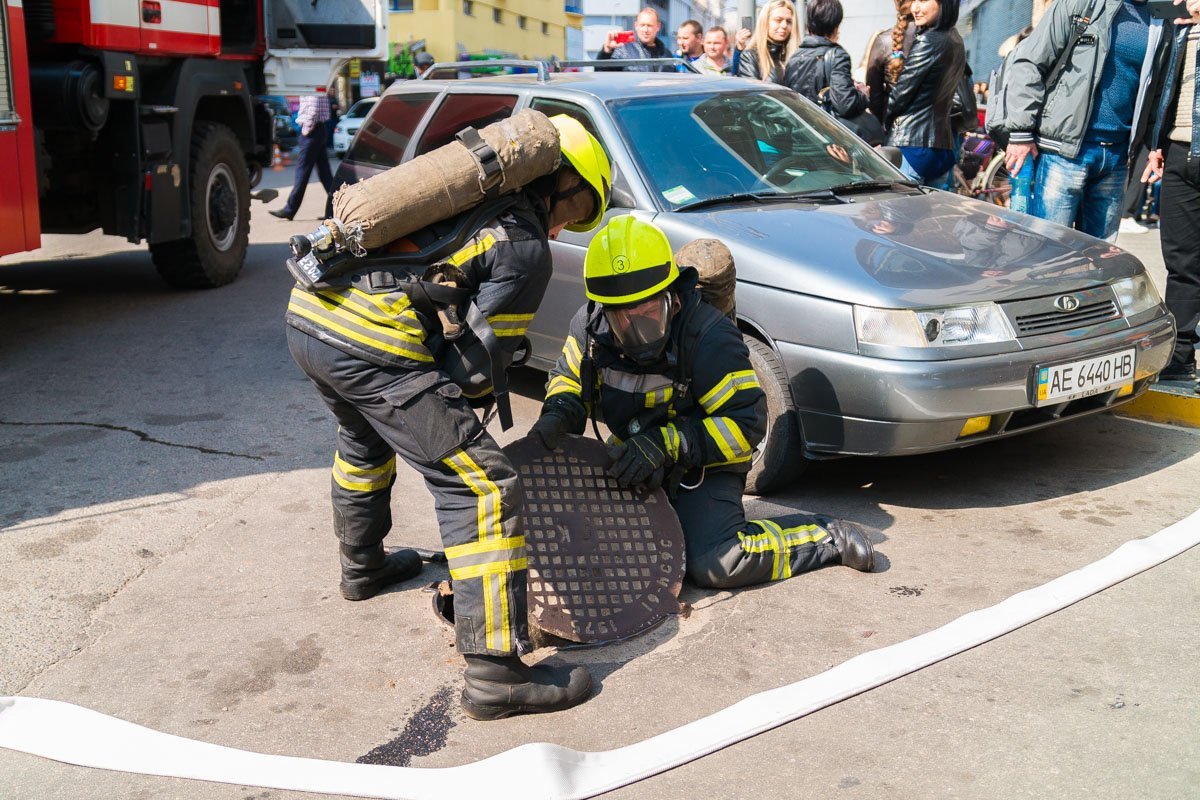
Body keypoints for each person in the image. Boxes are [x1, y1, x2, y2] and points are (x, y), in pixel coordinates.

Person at [285, 115, 612, 720]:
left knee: (362, 443)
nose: (570, 225)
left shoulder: (462, 203)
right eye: (579, 206)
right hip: (372, 349)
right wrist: (454, 416)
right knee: (483, 486)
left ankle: (364, 568)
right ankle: (496, 674)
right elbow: (478, 367)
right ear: (560, 184)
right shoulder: (525, 244)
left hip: (310, 319)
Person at [529, 217, 875, 593]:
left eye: (649, 313)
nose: (636, 329)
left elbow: (746, 427)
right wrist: (559, 412)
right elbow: (567, 378)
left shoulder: (709, 338)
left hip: (705, 461)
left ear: (671, 297)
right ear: (603, 307)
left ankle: (824, 535)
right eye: (622, 318)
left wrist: (670, 444)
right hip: (635, 451)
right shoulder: (591, 328)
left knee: (716, 562)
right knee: (586, 543)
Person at [1001, 0, 1171, 240]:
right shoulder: (1080, 3)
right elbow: (1029, 62)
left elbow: (1157, 90)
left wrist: (1154, 144)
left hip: (1117, 158)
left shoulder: (1159, 18)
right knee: (1049, 251)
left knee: (1099, 259)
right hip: (1062, 151)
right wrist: (1021, 132)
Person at [1143, 0, 1200, 384]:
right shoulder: (1182, 34)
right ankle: (1179, 358)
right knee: (1181, 262)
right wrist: (1157, 143)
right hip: (1180, 155)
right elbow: (1168, 92)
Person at [885, 0, 966, 186]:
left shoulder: (928, 41)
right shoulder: (956, 40)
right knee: (932, 215)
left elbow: (899, 96)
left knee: (898, 214)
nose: (915, 8)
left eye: (923, 0)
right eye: (914, 1)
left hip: (912, 147)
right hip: (942, 148)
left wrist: (886, 124)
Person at [784, 0, 870, 119]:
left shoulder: (794, 57)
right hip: (825, 133)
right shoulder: (838, 55)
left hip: (800, 131)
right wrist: (863, 95)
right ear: (836, 24)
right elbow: (846, 105)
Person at [271, 93, 335, 221]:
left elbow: (313, 107)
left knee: (302, 171)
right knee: (325, 175)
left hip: (312, 131)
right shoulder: (317, 81)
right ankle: (334, 211)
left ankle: (290, 209)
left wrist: (306, 130)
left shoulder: (310, 83)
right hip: (318, 129)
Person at [865, 0, 914, 124]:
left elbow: (874, 96)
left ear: (896, 4)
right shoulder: (939, 40)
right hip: (936, 131)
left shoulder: (883, 41)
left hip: (894, 126)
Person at [735, 0, 800, 84]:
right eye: (778, 20)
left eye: (789, 21)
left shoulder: (798, 56)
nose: (784, 25)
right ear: (765, 21)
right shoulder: (750, 56)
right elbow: (755, 94)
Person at [597, 7, 673, 72]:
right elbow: (601, 73)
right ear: (636, 26)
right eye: (642, 25)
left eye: (649, 26)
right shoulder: (624, 50)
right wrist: (606, 52)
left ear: (658, 27)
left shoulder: (667, 54)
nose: (645, 30)